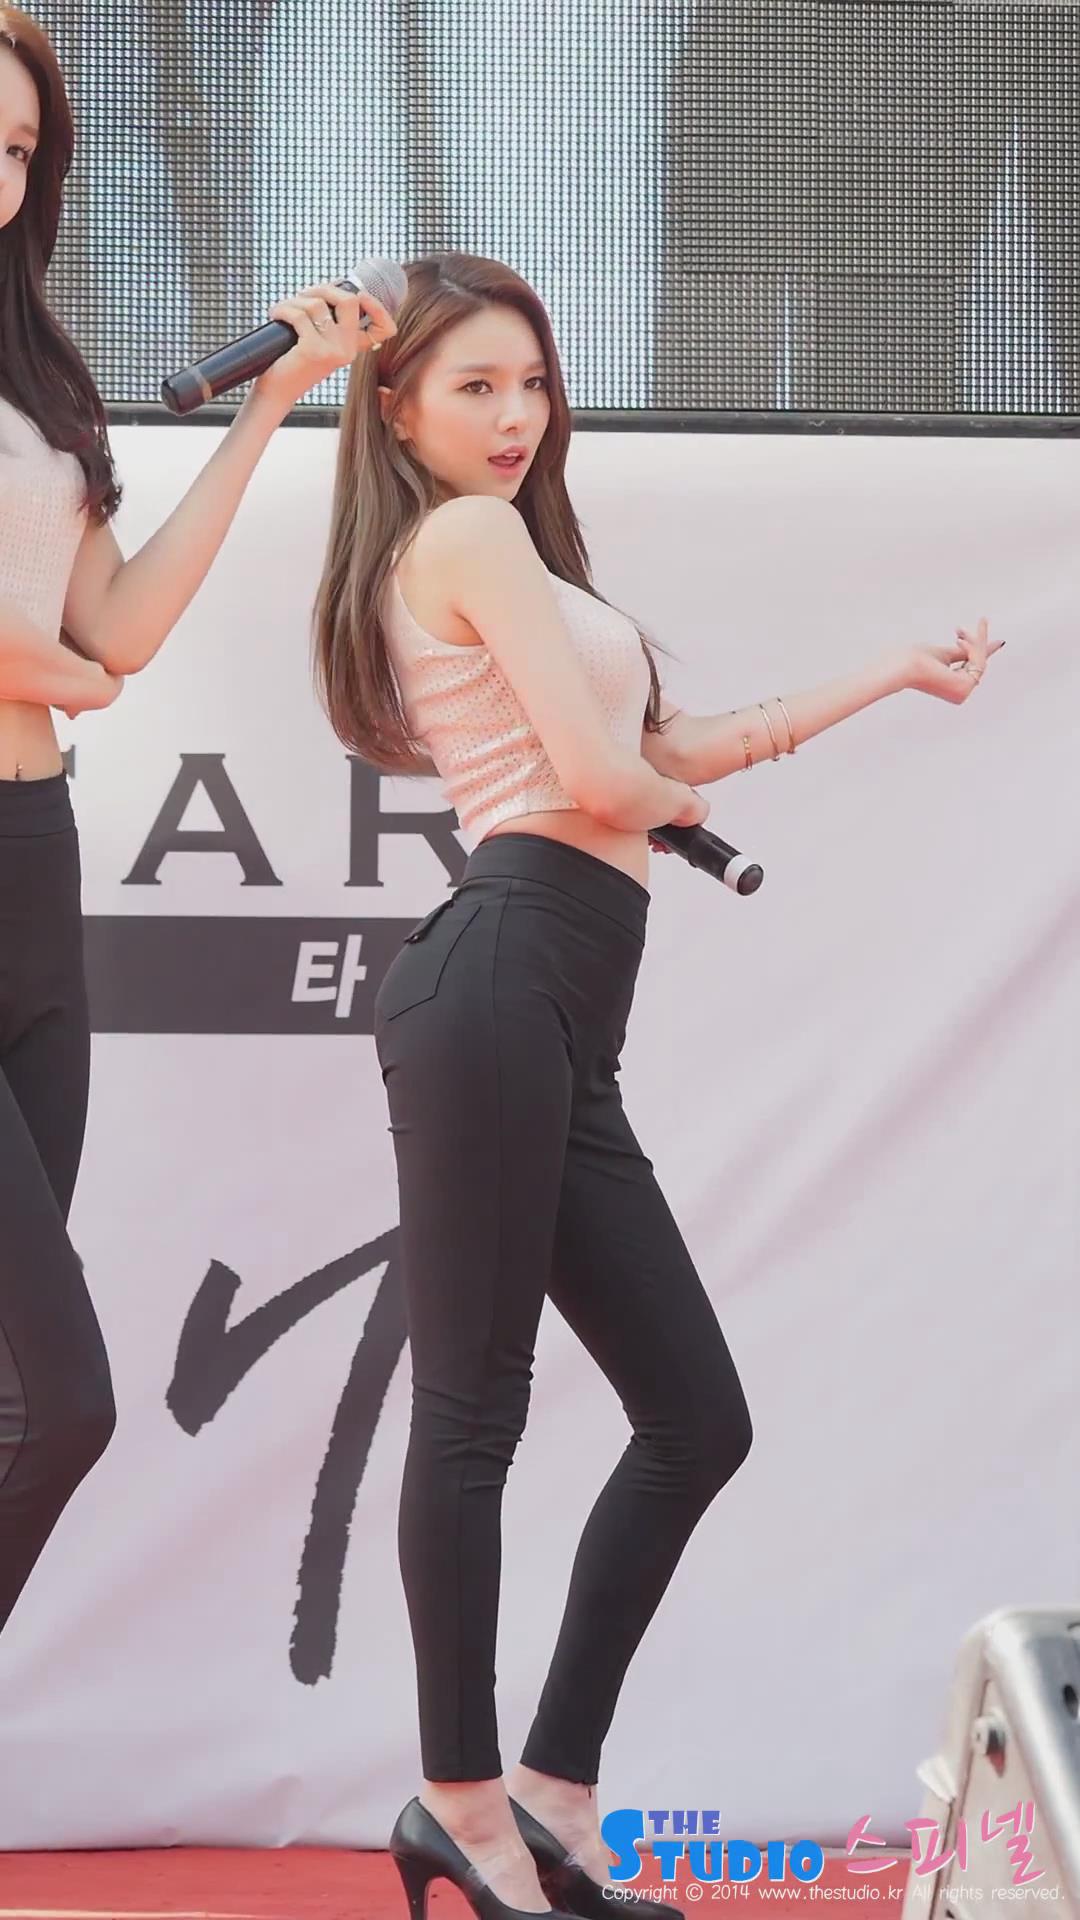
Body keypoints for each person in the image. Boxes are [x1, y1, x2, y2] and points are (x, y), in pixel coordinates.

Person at [312, 250, 1000, 1920]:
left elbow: (664, 754)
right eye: (476, 386)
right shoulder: (462, 539)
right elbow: (609, 782)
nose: (517, 416)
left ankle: (549, 1795)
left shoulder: (527, 553)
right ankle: (459, 1800)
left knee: (696, 1416)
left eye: (534, 383)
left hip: (556, 1002)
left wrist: (887, 674)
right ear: (396, 409)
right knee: (473, 1411)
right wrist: (666, 804)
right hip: (501, 973)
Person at [0, 4, 396, 1638]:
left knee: (13, 1399)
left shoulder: (36, 382)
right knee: (63, 1400)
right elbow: (59, 660)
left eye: (19, 147)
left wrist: (269, 402)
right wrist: (66, 671)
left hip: (34, 865)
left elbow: (117, 630)